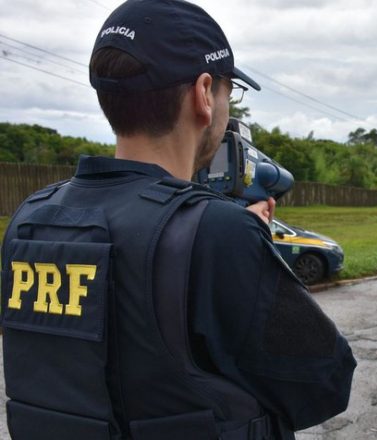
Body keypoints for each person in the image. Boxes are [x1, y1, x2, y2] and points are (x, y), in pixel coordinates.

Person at [0, 1, 356, 439]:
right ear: (204, 94)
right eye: (230, 93)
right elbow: (325, 382)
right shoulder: (217, 232)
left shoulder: (32, 218)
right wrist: (250, 249)